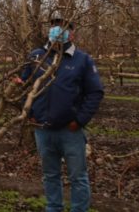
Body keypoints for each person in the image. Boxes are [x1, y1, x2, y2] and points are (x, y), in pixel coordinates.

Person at [21, 20, 104, 212]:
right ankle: (53, 208)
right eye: (55, 25)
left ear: (72, 33)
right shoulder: (37, 56)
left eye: (64, 26)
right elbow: (22, 85)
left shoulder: (82, 60)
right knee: (50, 175)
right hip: (43, 130)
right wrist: (29, 113)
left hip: (70, 131)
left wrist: (79, 120)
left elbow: (95, 92)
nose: (58, 30)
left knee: (78, 177)